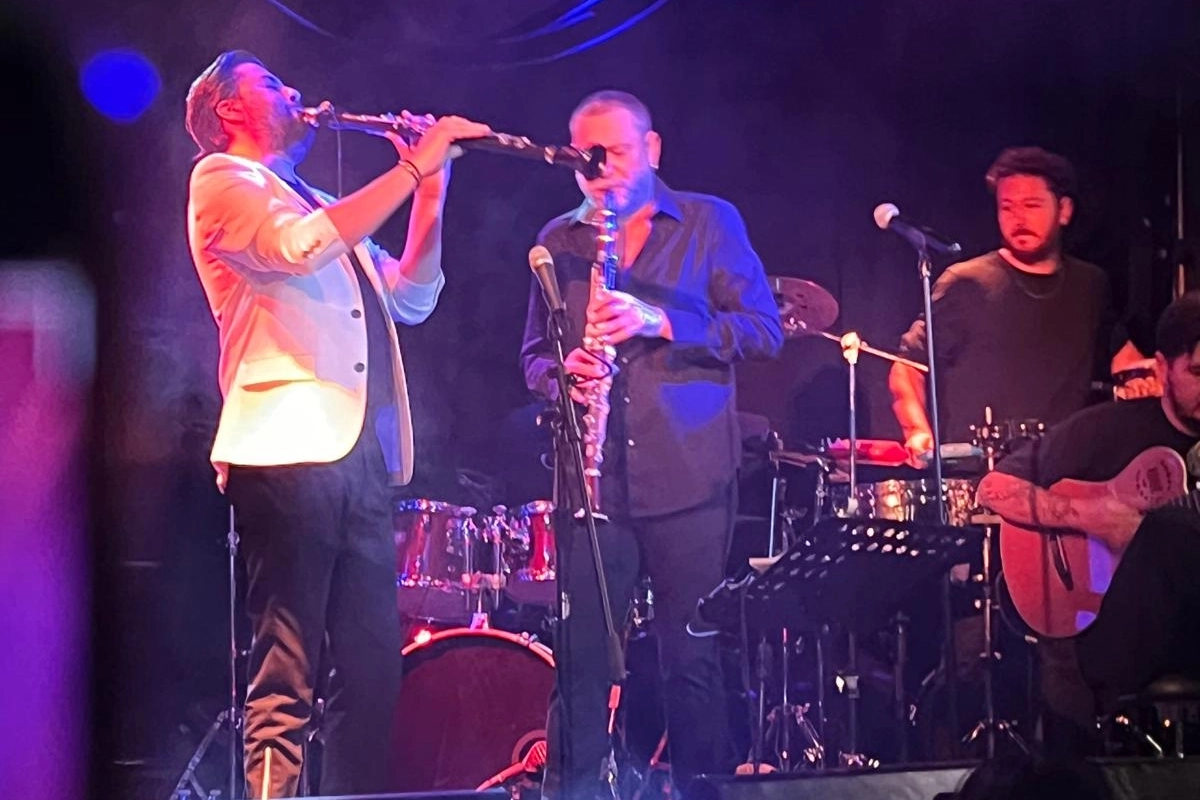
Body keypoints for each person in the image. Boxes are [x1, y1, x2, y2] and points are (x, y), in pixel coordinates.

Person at [184, 50, 489, 796]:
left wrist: (431, 188)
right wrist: (411, 168)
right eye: (270, 84)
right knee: (286, 666)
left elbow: (412, 297)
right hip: (283, 452)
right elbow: (298, 246)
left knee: (372, 670)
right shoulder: (222, 180)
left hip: (357, 457)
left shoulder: (313, 197)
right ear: (229, 109)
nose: (294, 90)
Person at [519, 90, 783, 799]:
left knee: (689, 662)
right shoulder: (558, 239)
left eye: (616, 151)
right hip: (591, 486)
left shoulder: (708, 221)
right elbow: (534, 357)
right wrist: (563, 376)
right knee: (579, 666)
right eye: (587, 155)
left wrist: (660, 322)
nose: (599, 167)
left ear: (654, 149)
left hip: (689, 479)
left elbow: (764, 329)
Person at [977, 291, 1200, 753]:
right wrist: (1095, 517)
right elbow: (994, 487)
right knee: (1167, 532)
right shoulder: (1107, 429)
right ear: (1162, 369)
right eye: (1198, 374)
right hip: (1107, 637)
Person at [889, 146, 1113, 463]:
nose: (1018, 218)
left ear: (1064, 210)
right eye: (1007, 207)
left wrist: (1143, 379)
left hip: (1068, 474)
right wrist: (917, 432)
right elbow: (907, 366)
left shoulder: (1091, 285)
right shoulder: (966, 282)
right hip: (980, 476)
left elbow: (1124, 360)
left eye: (1032, 205)